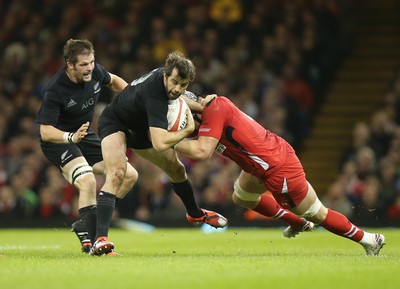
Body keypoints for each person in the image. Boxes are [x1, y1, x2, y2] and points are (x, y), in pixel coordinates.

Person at [174, 93, 386, 256]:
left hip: (277, 168)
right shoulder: (210, 111)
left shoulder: (214, 110)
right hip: (263, 163)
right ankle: (295, 222)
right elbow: (185, 131)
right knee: (242, 197)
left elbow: (201, 151)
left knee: (316, 212)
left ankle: (369, 240)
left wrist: (167, 141)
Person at [91, 51, 228, 256]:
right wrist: (186, 130)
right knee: (118, 173)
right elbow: (160, 142)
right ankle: (99, 239)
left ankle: (195, 214)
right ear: (165, 75)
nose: (177, 89)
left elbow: (179, 98)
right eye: (174, 82)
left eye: (183, 85)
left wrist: (203, 106)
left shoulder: (168, 81)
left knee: (176, 168)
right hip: (115, 123)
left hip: (141, 129)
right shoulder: (154, 96)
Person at [36, 39, 137, 254]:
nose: (89, 67)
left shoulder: (96, 72)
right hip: (60, 141)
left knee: (129, 175)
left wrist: (134, 99)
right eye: (83, 64)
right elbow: (45, 131)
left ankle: (87, 223)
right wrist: (70, 137)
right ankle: (95, 240)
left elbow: (115, 81)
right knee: (87, 181)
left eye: (91, 62)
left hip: (84, 136)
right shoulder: (55, 89)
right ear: (69, 65)